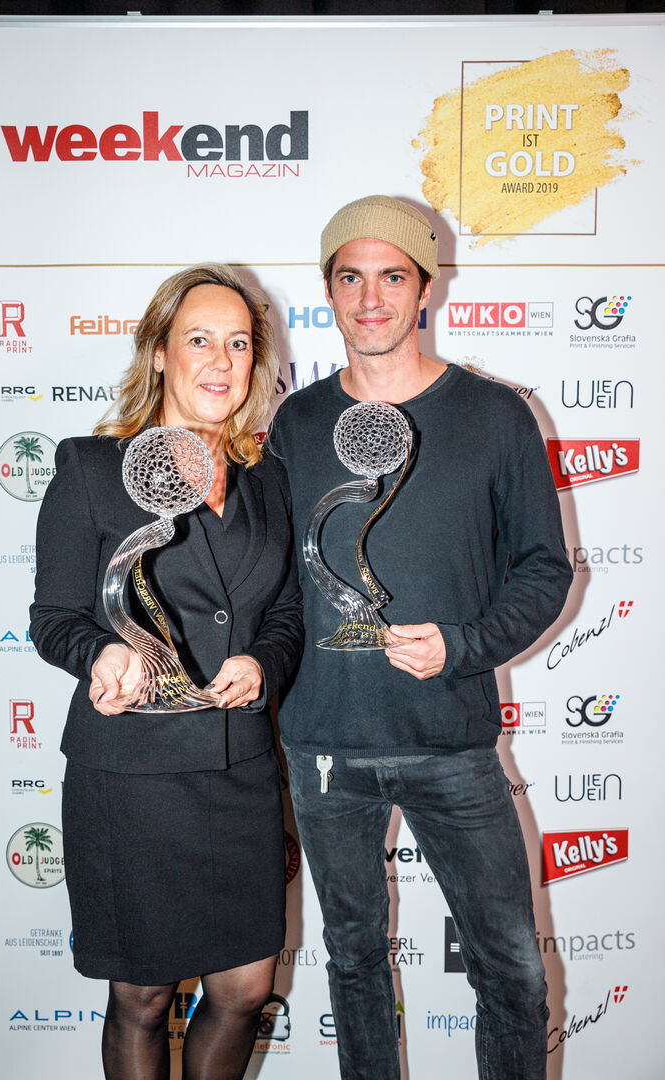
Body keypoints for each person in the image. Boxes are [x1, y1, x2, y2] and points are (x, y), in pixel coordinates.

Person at [268, 195, 573, 1080]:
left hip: (452, 740)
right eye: (351, 277)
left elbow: (544, 569)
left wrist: (463, 645)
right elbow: (272, 580)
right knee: (354, 964)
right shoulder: (295, 423)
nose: (371, 298)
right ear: (329, 290)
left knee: (512, 972)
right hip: (325, 746)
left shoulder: (496, 415)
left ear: (426, 287)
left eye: (392, 276)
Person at [30, 264, 303, 1080]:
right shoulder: (90, 468)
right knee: (143, 999)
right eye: (199, 340)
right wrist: (102, 652)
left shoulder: (269, 478)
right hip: (132, 778)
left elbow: (287, 614)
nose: (221, 361)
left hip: (239, 769)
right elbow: (54, 617)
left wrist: (262, 664)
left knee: (245, 988)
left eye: (239, 344)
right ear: (158, 352)